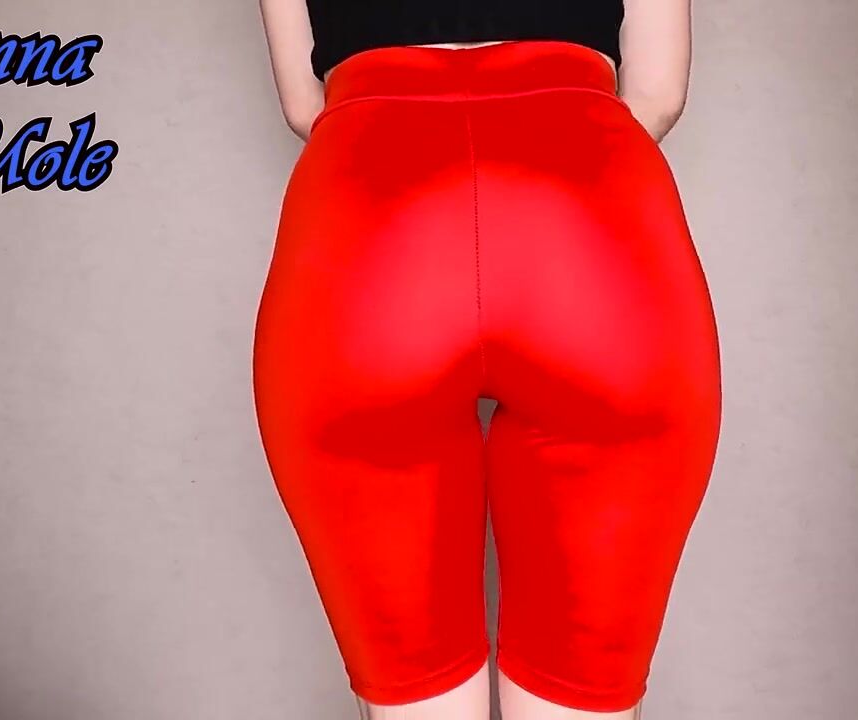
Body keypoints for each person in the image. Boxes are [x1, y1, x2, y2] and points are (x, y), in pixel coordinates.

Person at [252, 1, 721, 718]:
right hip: (587, 233)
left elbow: (301, 104)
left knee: (411, 690)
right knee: (586, 687)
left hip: (372, 236)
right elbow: (657, 92)